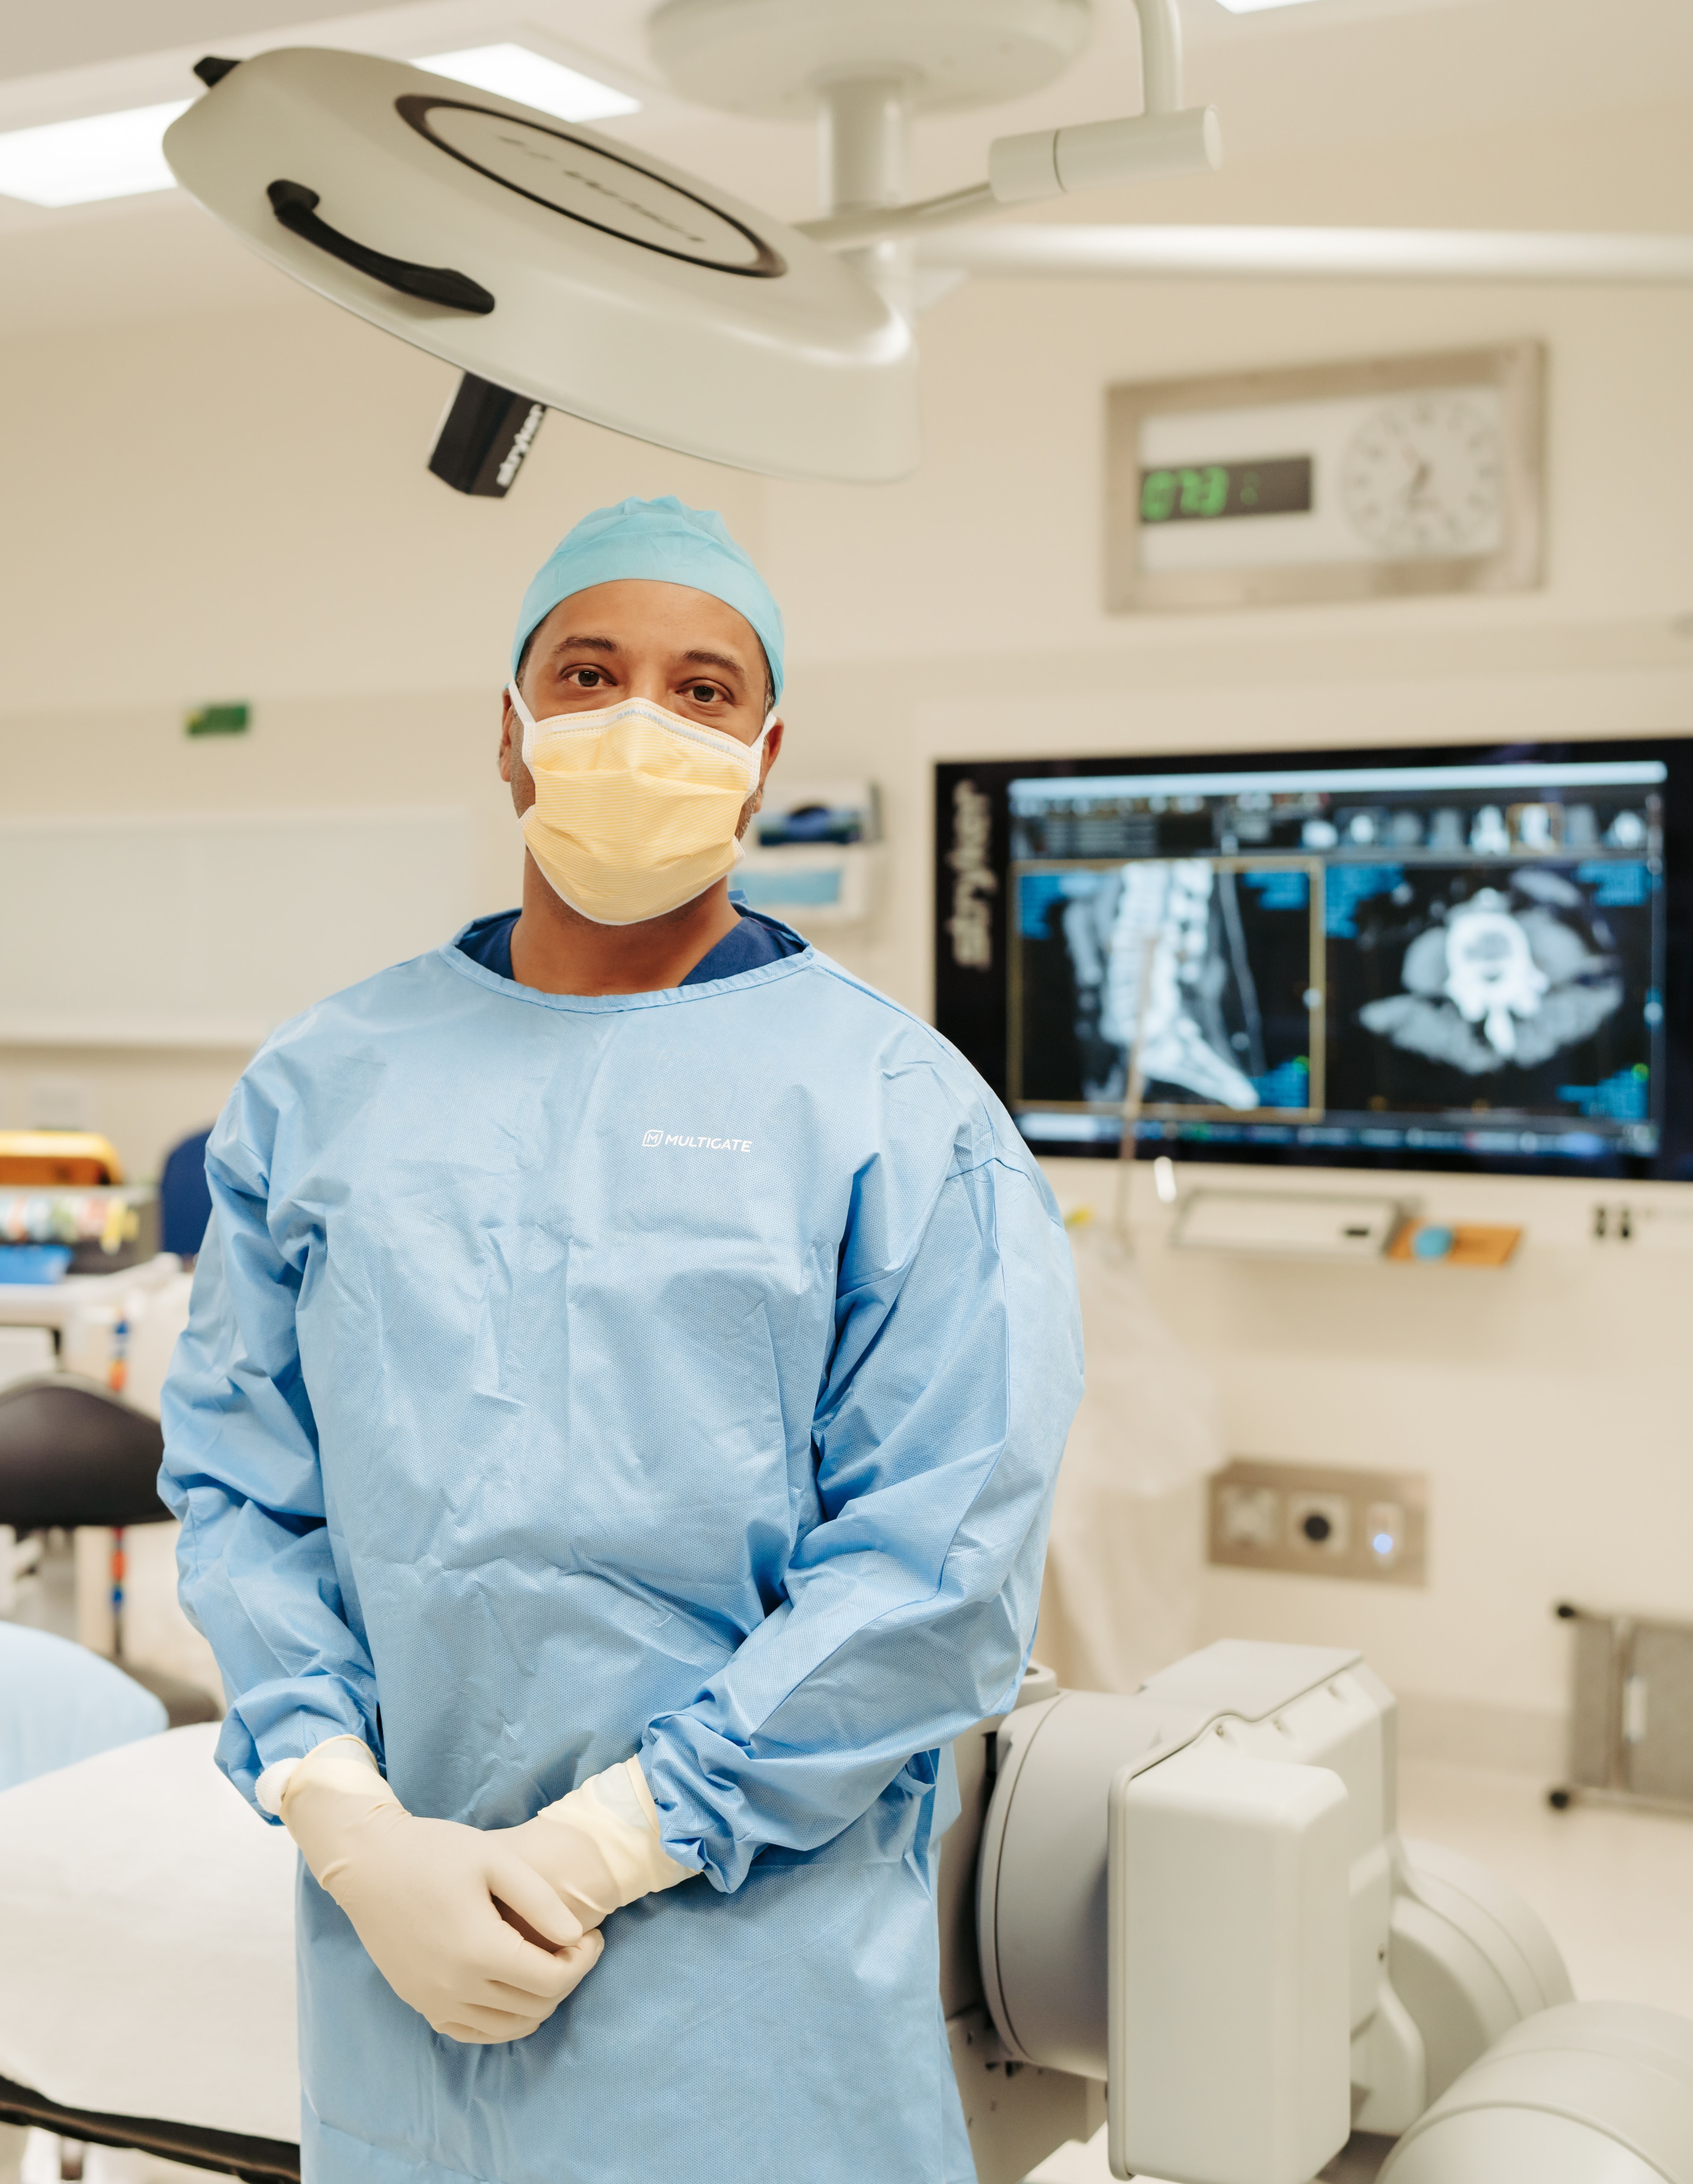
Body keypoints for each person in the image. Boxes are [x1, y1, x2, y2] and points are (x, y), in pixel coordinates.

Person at [159, 496, 1083, 2184]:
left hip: (747, 1985)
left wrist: (606, 1844)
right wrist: (343, 1813)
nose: (640, 722)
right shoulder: (325, 1085)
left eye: (701, 688)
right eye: (588, 674)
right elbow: (243, 1485)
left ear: (763, 754)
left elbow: (935, 1569)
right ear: (511, 729)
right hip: (400, 1968)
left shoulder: (897, 1112)